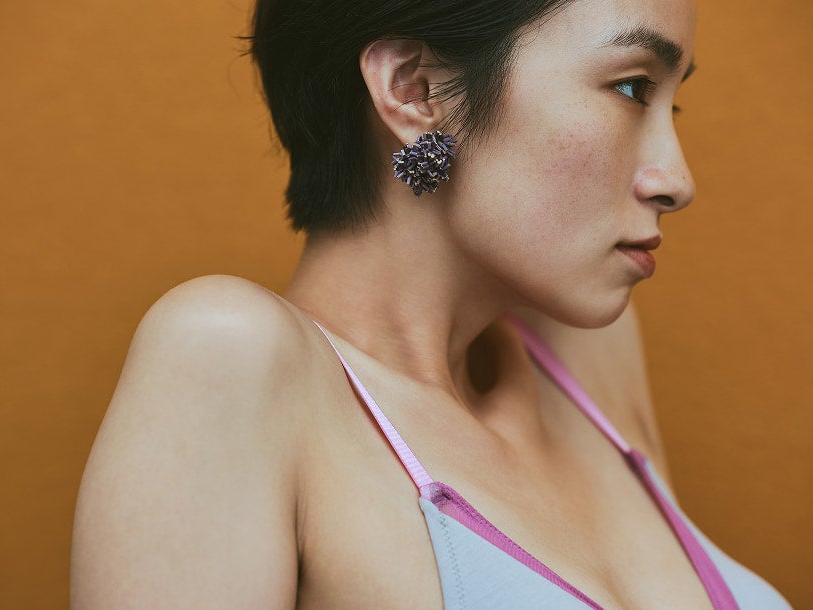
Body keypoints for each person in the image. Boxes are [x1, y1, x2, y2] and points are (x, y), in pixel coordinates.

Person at [70, 0, 793, 608]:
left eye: (673, 99)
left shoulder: (583, 354)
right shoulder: (230, 358)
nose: (677, 180)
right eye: (632, 88)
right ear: (415, 90)